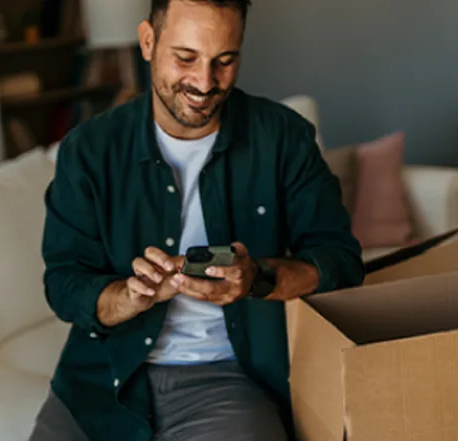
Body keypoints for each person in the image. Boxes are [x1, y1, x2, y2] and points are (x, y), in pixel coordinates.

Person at [30, 0, 364, 439]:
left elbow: (341, 264)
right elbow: (63, 283)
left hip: (229, 380)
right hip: (102, 378)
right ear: (148, 41)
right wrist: (126, 297)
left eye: (224, 61)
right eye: (185, 58)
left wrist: (257, 278)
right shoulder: (89, 150)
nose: (205, 83)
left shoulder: (284, 139)